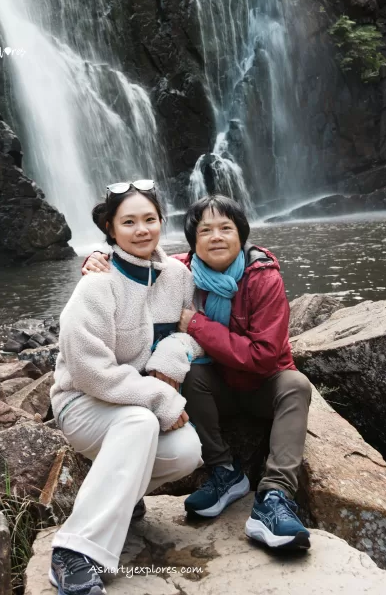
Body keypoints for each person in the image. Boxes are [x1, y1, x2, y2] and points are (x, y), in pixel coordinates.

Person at [82, 193, 312, 550]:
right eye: (205, 230)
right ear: (193, 242)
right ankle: (225, 472)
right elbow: (138, 261)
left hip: (261, 384)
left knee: (296, 385)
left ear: (242, 234)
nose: (216, 237)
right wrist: (100, 257)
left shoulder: (262, 277)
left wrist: (198, 326)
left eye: (226, 228)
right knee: (183, 371)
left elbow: (266, 357)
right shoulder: (181, 272)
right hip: (216, 387)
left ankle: (275, 497)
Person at [49, 180, 204, 595]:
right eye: (129, 222)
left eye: (149, 219)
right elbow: (87, 370)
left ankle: (122, 495)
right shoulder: (97, 284)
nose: (142, 230)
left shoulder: (177, 276)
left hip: (133, 408)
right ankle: (73, 552)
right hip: (82, 403)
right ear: (110, 229)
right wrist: (157, 395)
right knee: (140, 423)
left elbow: (194, 330)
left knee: (188, 451)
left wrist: (172, 352)